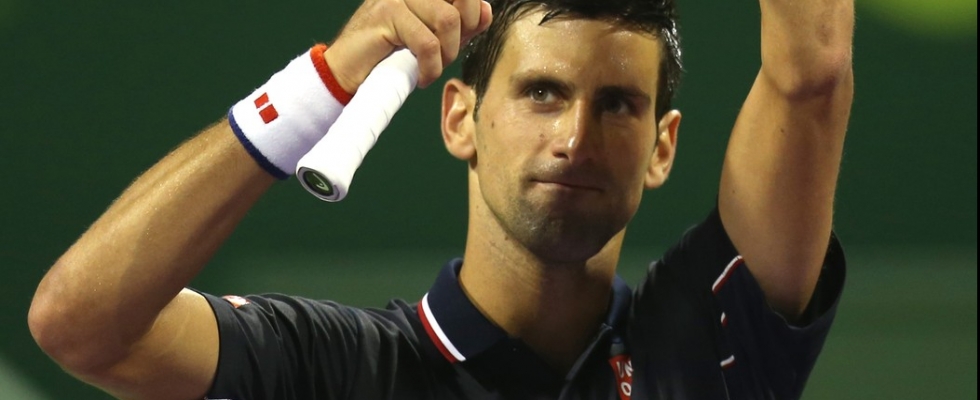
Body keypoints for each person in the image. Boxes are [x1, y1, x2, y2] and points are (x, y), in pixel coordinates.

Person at [28, 0, 854, 397]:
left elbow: (811, 71)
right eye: (541, 92)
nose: (575, 137)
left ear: (662, 146)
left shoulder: (708, 346)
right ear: (460, 117)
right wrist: (323, 81)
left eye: (617, 105)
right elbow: (80, 325)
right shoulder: (330, 370)